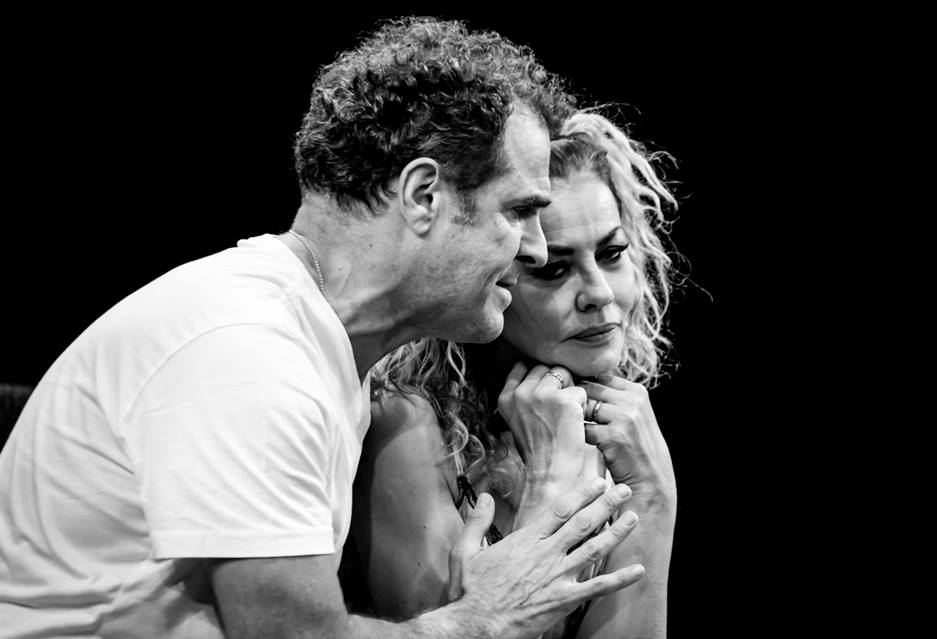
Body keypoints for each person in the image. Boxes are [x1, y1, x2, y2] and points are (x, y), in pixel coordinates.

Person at [0, 18, 647, 639]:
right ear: (423, 196)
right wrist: (484, 617)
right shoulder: (250, 351)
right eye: (520, 211)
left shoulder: (313, 348)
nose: (535, 248)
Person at [352, 111, 679, 638]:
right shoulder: (406, 419)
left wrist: (652, 494)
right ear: (494, 273)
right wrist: (551, 478)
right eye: (553, 269)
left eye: (613, 253)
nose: (599, 293)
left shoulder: (617, 418)